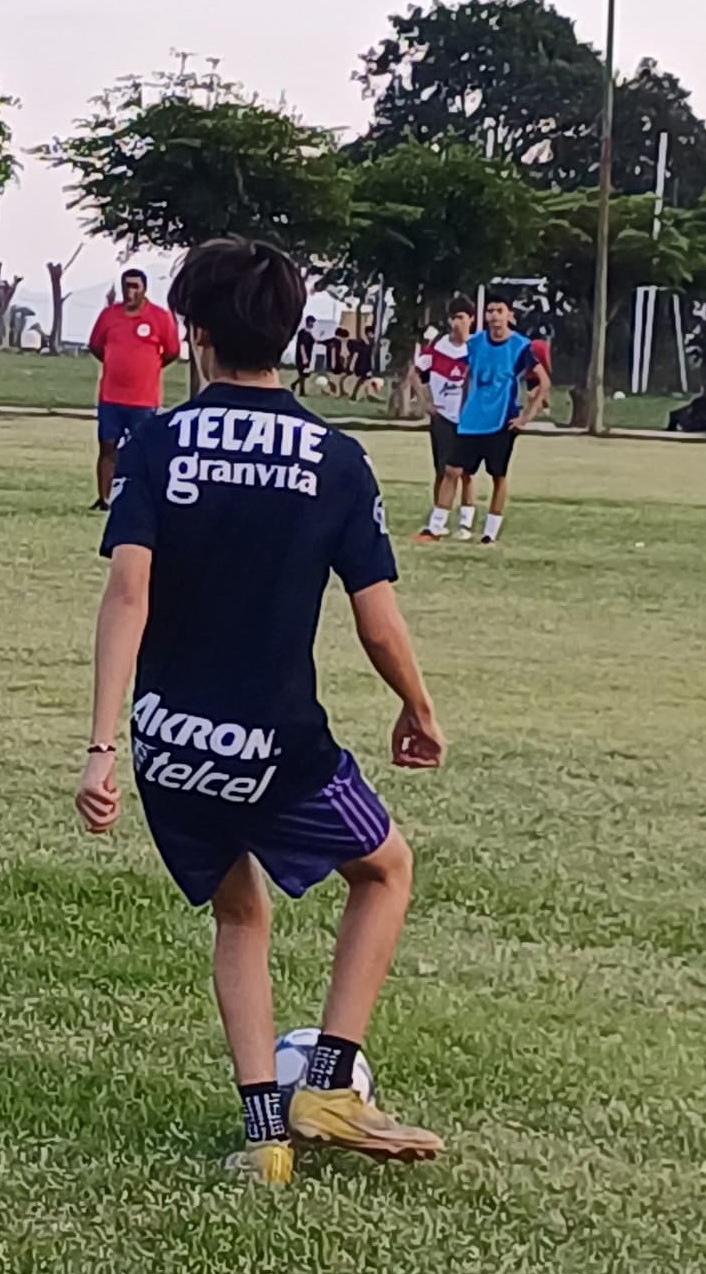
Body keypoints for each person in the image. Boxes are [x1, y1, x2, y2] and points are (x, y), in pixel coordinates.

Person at [79, 235, 447, 1186]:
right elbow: (376, 620)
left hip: (171, 743)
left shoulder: (157, 445)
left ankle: (264, 1139)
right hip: (278, 745)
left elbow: (128, 596)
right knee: (386, 870)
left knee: (239, 913)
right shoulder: (337, 458)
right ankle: (327, 1086)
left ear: (194, 332)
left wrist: (104, 747)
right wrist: (417, 705)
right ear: (291, 334)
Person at [418, 296, 547, 546]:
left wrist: (525, 417)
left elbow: (543, 382)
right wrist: (464, 406)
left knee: (498, 475)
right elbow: (467, 375)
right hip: (472, 420)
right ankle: (434, 528)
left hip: (501, 420)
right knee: (452, 470)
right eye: (490, 311)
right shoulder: (475, 343)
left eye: (500, 310)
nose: (494, 316)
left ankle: (490, 532)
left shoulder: (521, 346)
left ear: (509, 315)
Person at [86, 267, 180, 510]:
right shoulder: (109, 315)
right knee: (107, 447)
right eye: (126, 286)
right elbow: (95, 346)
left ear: (144, 289)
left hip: (144, 399)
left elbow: (172, 352)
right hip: (111, 396)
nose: (130, 292)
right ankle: (105, 499)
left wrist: (149, 367)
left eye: (135, 286)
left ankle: (143, 498)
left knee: (144, 450)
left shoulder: (160, 317)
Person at [412, 301, 479, 538]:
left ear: (471, 319)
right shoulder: (439, 346)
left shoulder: (476, 348)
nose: (456, 323)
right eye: (453, 318)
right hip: (443, 417)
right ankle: (438, 521)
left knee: (466, 473)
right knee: (442, 471)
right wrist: (425, 403)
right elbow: (416, 373)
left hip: (468, 420)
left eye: (461, 317)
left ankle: (465, 524)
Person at [291, 318, 320, 395]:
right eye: (312, 322)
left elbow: (314, 341)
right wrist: (304, 357)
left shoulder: (309, 333)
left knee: (305, 374)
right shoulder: (302, 333)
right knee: (303, 374)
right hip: (302, 357)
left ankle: (295, 385)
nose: (313, 324)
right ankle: (301, 391)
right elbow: (302, 345)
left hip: (307, 356)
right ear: (308, 322)